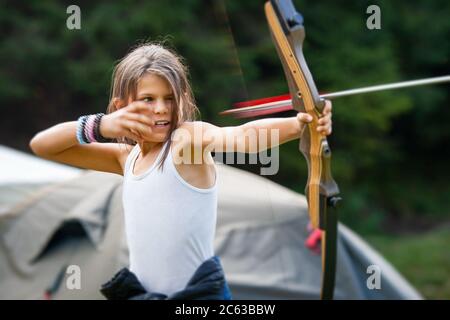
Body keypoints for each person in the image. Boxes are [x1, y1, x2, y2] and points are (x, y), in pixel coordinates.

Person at [29, 42, 333, 300]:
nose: (161, 108)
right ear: (121, 105)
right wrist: (101, 125)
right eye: (148, 99)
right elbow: (44, 145)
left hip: (198, 296)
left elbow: (242, 137)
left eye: (169, 99)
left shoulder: (185, 142)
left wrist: (301, 125)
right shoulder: (126, 158)